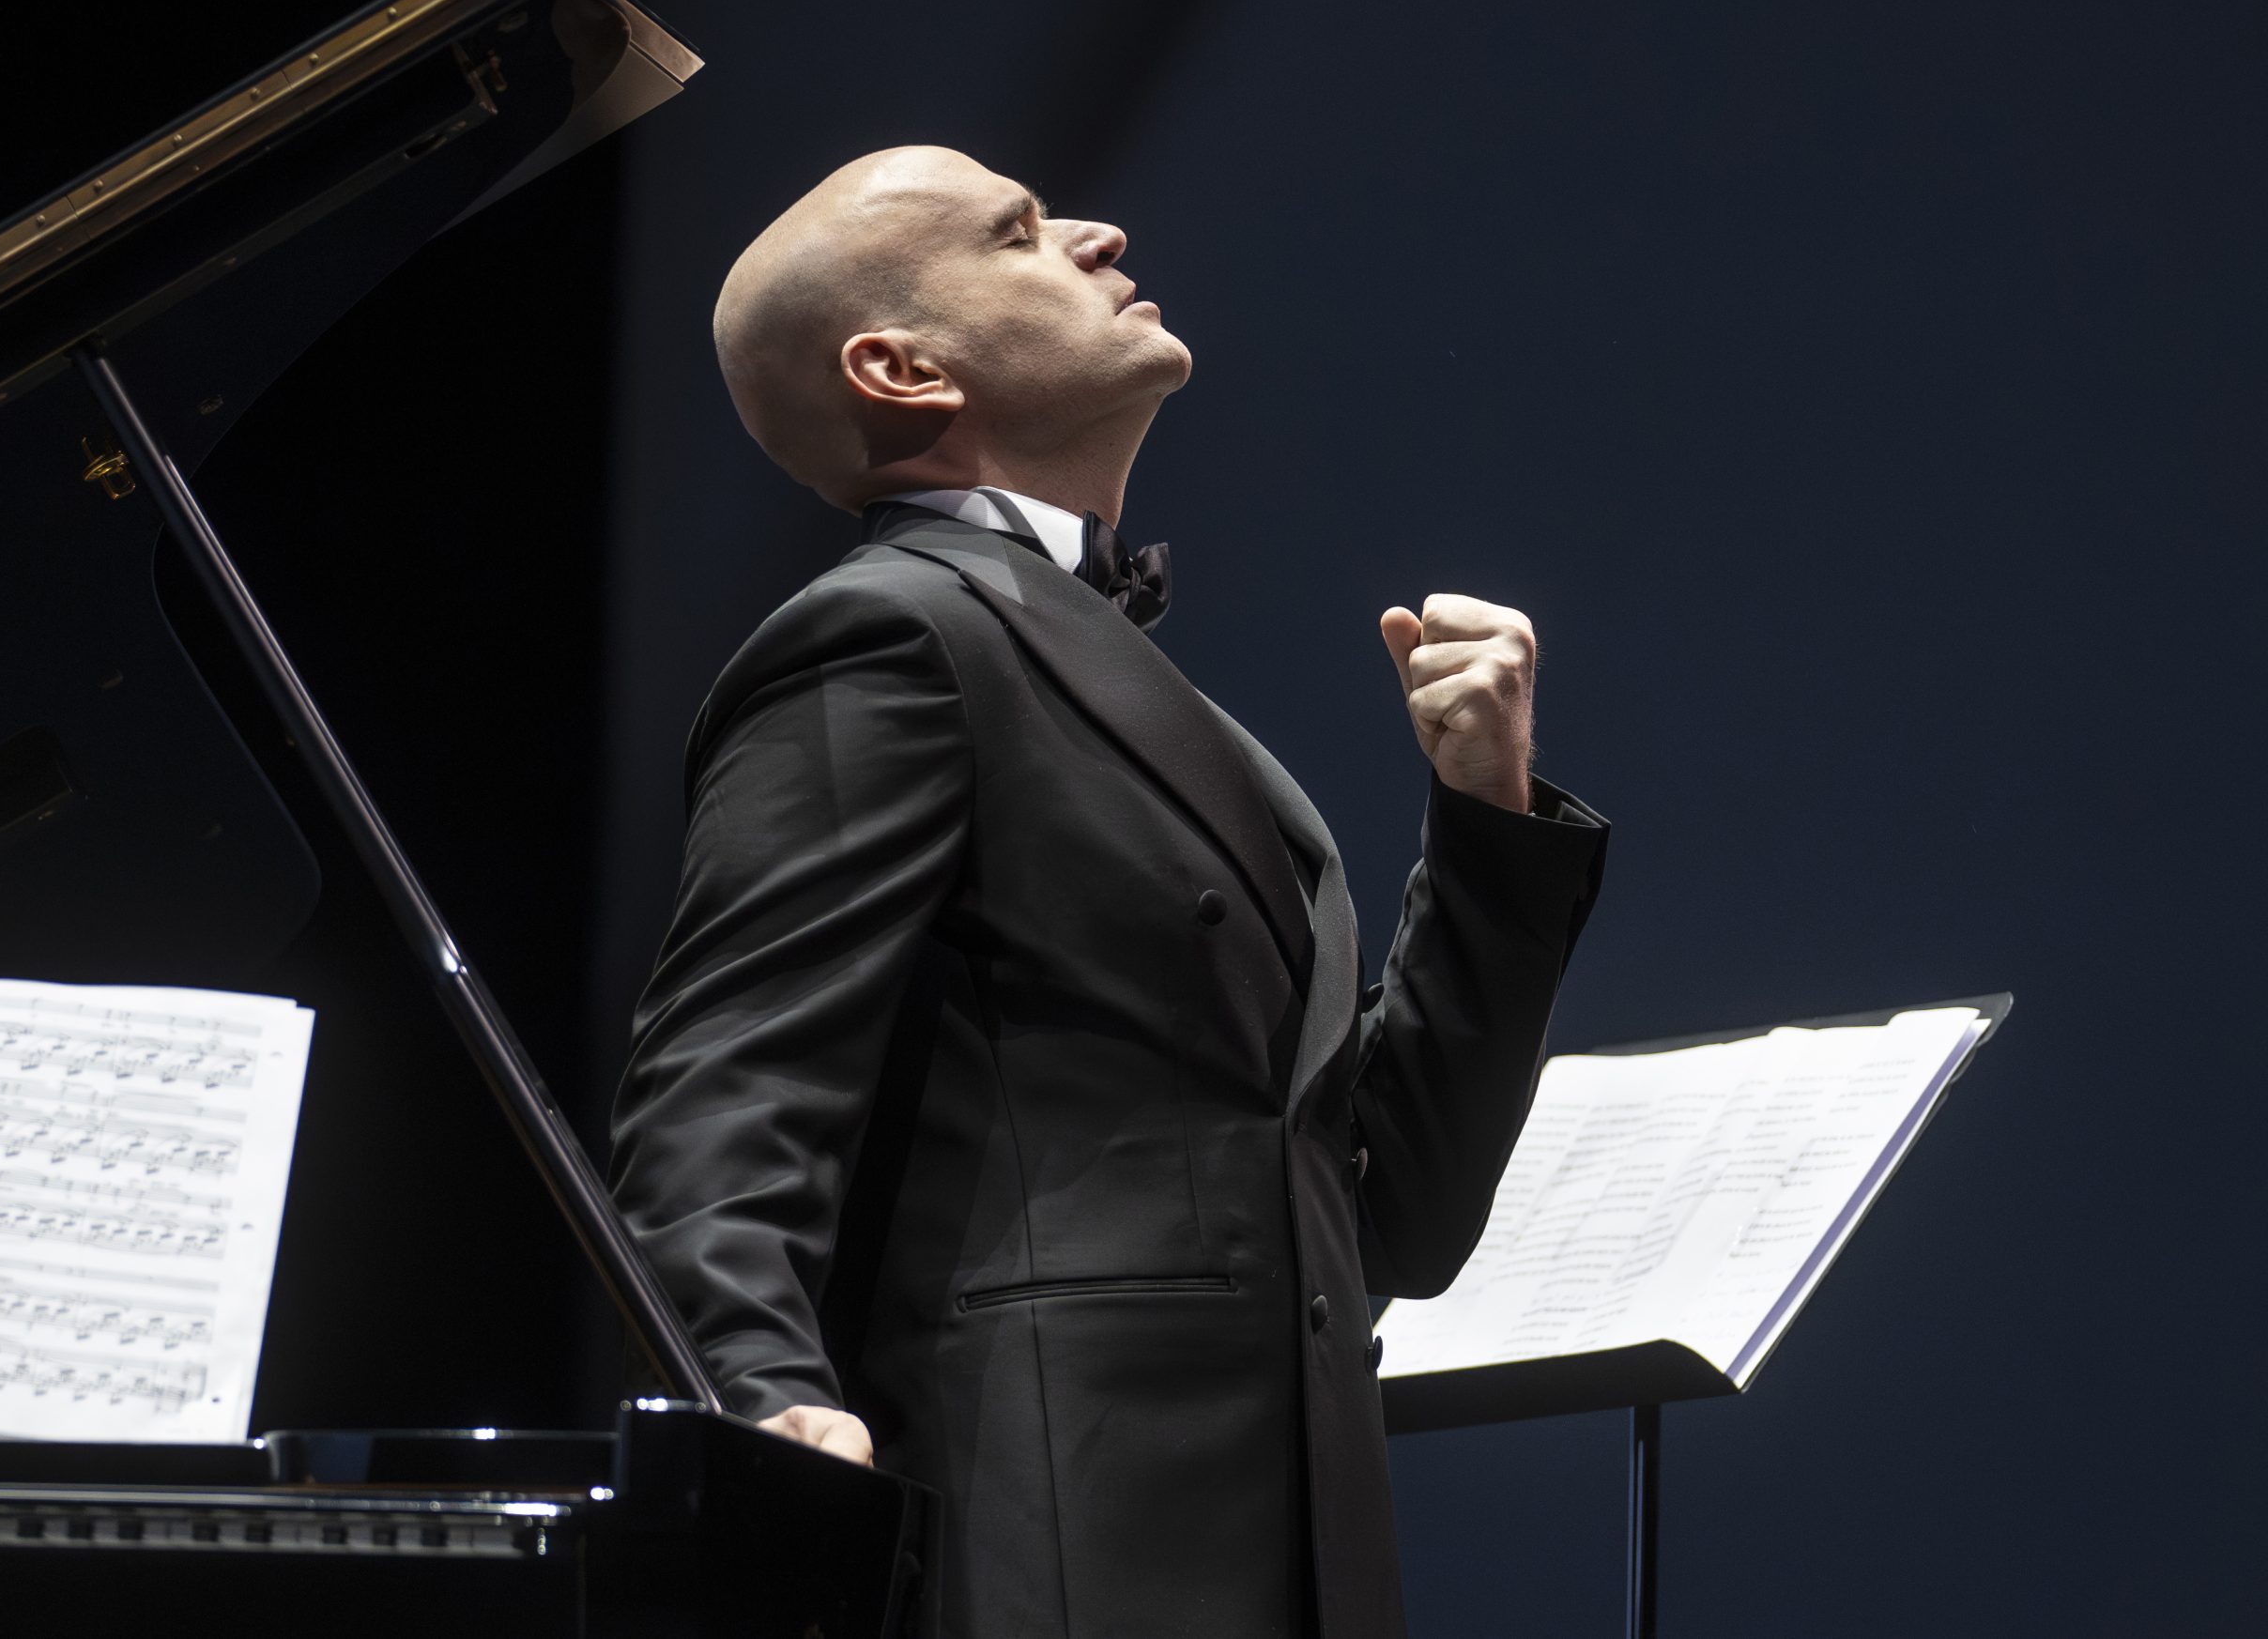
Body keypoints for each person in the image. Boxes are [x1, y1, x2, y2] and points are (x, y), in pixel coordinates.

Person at [607, 146, 1608, 1639]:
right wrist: (754, 1398)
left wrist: (1484, 821)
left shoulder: (1091, 663)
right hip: (1058, 1543)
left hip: (1291, 1552)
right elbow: (724, 1094)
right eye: (1018, 232)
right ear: (901, 367)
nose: (1097, 233)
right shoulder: (886, 635)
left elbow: (1396, 1214)